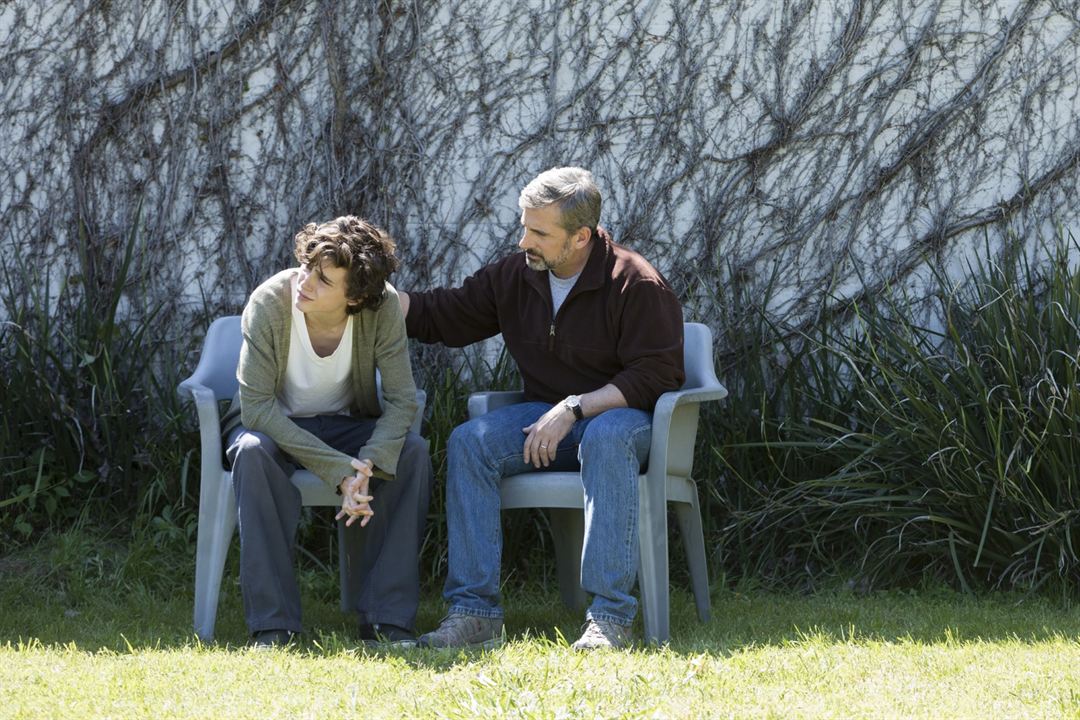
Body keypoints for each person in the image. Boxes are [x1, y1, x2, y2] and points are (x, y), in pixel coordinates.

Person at [399, 167, 684, 650]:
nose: (523, 240)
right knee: (470, 442)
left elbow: (657, 376)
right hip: (547, 420)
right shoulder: (517, 275)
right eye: (524, 225)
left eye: (538, 232)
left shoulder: (635, 283)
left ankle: (611, 619)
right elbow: (446, 315)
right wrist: (377, 298)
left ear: (580, 237)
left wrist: (574, 407)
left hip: (626, 423)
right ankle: (475, 615)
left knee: (607, 434)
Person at [221, 216, 433, 648]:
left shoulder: (383, 307)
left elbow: (401, 400)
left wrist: (368, 462)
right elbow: (257, 408)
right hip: (273, 428)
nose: (305, 282)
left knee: (410, 452)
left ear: (354, 297)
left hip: (345, 426)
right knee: (251, 453)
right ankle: (273, 627)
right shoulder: (269, 302)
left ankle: (385, 621)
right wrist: (339, 470)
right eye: (306, 267)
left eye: (322, 279)